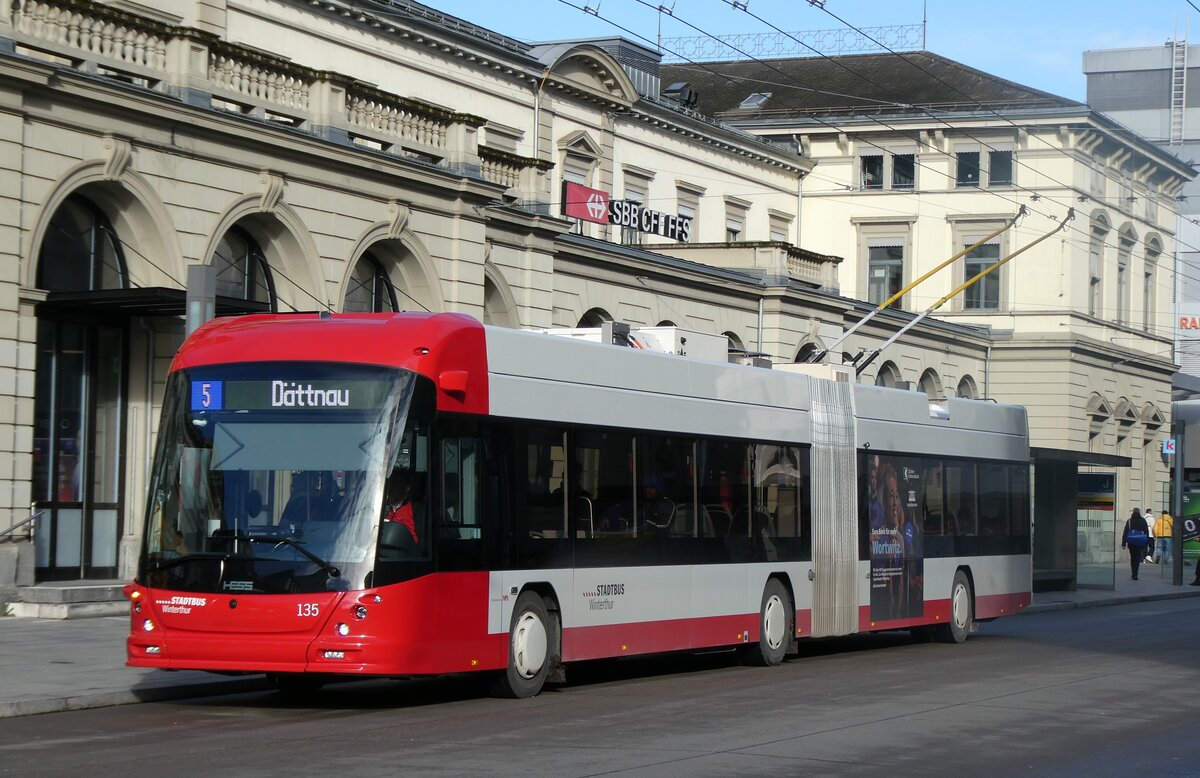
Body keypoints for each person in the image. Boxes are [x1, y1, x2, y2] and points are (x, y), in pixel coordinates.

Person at [383, 469, 418, 544]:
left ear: (406, 489)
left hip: (404, 553)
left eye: (395, 485)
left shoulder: (416, 510)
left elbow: (419, 544)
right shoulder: (379, 507)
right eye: (390, 485)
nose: (391, 489)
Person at [1121, 508, 1151, 580]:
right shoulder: (1143, 520)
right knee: (1137, 558)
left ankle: (1133, 572)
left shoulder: (1129, 521)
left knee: (1133, 557)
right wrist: (1147, 542)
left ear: (1133, 512)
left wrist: (1123, 543)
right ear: (1139, 512)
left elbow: (1125, 532)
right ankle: (1135, 574)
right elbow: (1146, 532)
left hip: (1131, 542)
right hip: (1140, 542)